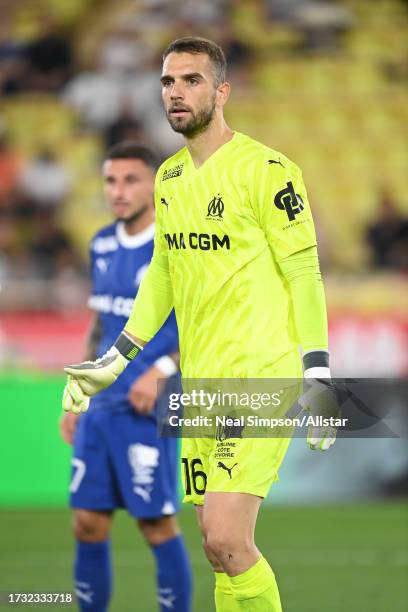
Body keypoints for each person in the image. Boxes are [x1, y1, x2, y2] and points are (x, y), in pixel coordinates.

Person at [63, 37, 339, 611]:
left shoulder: (268, 170)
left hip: (261, 377)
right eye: (168, 82)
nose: (176, 93)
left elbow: (304, 272)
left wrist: (318, 369)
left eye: (191, 80)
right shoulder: (167, 180)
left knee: (226, 536)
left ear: (221, 91)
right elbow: (162, 273)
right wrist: (114, 360)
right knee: (217, 550)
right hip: (200, 388)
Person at [60, 142, 192, 612]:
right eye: (111, 180)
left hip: (148, 403)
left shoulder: (176, 245)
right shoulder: (101, 243)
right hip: (101, 406)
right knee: (87, 524)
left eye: (131, 179)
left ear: (154, 186)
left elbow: (201, 325)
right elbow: (100, 324)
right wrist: (76, 390)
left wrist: (161, 369)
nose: (118, 191)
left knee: (156, 525)